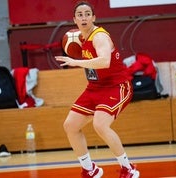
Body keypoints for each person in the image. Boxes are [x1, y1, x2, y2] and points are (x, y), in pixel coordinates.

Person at [55, 1, 140, 178]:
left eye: (87, 14)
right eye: (80, 14)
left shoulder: (99, 36)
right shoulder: (79, 38)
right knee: (70, 125)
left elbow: (104, 62)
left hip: (117, 86)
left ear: (94, 17)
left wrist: (76, 62)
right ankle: (90, 169)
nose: (84, 17)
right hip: (95, 88)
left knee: (100, 125)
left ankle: (128, 168)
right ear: (74, 20)